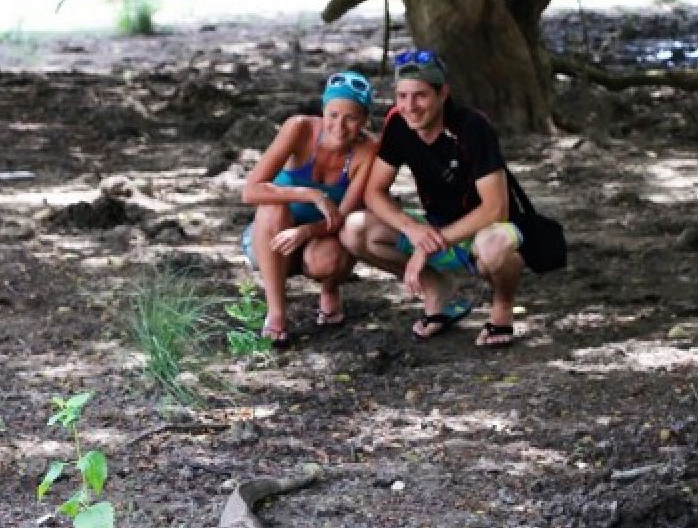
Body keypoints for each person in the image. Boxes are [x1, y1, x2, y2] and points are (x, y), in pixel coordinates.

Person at [341, 49, 565, 347]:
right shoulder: (398, 123)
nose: (410, 107)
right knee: (355, 228)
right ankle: (439, 293)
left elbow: (495, 207)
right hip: (438, 223)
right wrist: (412, 229)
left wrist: (429, 246)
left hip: (494, 226)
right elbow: (374, 191)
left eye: (420, 96)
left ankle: (502, 310)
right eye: (402, 96)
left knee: (492, 245)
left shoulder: (472, 126)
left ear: (443, 93)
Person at [241, 70, 379, 346]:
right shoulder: (300, 128)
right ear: (323, 111)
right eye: (333, 115)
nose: (339, 126)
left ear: (364, 120)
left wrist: (305, 232)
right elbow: (250, 191)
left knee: (329, 259)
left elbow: (342, 216)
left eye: (351, 118)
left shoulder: (368, 150)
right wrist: (308, 194)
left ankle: (330, 289)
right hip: (272, 235)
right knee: (273, 207)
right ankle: (277, 313)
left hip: (321, 237)